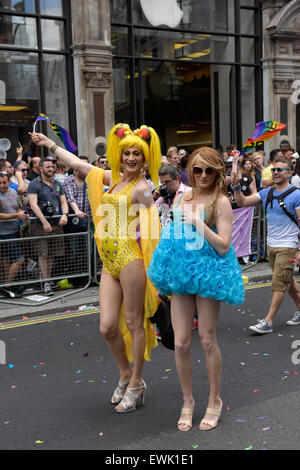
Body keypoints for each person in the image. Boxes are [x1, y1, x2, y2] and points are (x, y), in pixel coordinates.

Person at [29, 123, 161, 414]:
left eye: (136, 153)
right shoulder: (111, 178)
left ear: (145, 158)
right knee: (107, 327)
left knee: (135, 323)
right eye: (126, 152)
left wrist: (159, 273)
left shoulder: (142, 189)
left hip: (130, 259)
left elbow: (154, 233)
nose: (130, 158)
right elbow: (76, 163)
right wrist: (48, 144)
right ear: (119, 154)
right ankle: (125, 373)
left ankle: (137, 382)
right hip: (108, 261)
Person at [148, 147, 245, 432]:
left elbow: (224, 245)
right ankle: (188, 401)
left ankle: (214, 400)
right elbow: (171, 239)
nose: (203, 175)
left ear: (217, 172)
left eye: (209, 170)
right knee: (180, 342)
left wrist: (199, 223)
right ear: (190, 170)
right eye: (198, 169)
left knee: (206, 339)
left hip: (208, 274)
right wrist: (164, 280)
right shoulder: (183, 196)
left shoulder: (221, 201)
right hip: (180, 274)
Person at [231, 157, 300, 333]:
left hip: (288, 246)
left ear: (290, 173)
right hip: (271, 246)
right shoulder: (267, 192)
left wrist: (299, 250)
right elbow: (242, 202)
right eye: (274, 169)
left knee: (278, 283)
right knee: (287, 281)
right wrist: (236, 186)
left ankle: (268, 321)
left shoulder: (297, 194)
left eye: (280, 170)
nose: (275, 172)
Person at [27, 157, 69, 296]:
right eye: (48, 167)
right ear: (40, 168)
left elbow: (63, 201)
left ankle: (48, 279)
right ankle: (45, 283)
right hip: (39, 225)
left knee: (52, 254)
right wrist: (44, 221)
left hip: (56, 224)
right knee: (43, 255)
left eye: (52, 167)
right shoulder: (34, 184)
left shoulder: (57, 184)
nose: (51, 169)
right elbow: (33, 204)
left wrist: (65, 215)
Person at [0, 171, 29, 298]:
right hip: (4, 233)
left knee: (8, 260)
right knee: (19, 259)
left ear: (9, 182)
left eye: (4, 182)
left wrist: (21, 213)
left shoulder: (12, 192)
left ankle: (9, 284)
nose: (2, 185)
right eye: (0, 183)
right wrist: (16, 215)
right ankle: (6, 286)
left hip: (15, 230)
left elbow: (16, 207)